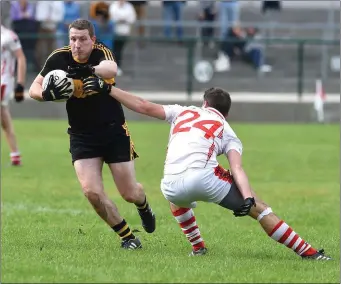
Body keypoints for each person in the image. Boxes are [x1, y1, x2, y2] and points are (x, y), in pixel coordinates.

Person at [80, 77, 332, 261]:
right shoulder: (227, 129)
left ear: (204, 103)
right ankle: (308, 253)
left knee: (177, 198)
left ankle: (198, 248)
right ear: (226, 113)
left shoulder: (183, 112)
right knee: (261, 209)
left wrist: (108, 88)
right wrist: (247, 199)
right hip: (204, 178)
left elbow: (143, 105)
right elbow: (237, 169)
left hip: (168, 184)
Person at [28, 18, 155, 250]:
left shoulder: (101, 52)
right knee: (91, 192)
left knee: (129, 192)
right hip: (81, 135)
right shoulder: (58, 58)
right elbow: (33, 88)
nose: (77, 44)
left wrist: (88, 70)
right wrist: (48, 94)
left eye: (83, 39)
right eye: (73, 39)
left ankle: (143, 205)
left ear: (92, 39)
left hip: (113, 130)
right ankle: (128, 238)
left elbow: (111, 69)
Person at [1, 25, 27, 166]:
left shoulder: (8, 36)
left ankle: (15, 154)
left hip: (3, 80)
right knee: (4, 116)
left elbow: (21, 57)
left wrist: (20, 84)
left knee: (3, 115)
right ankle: (15, 155)